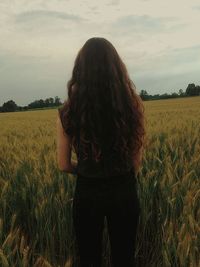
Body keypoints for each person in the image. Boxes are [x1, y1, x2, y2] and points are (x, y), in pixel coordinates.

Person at [56, 37, 146, 267]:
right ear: (116, 68)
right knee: (124, 258)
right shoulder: (132, 107)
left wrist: (86, 170)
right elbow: (136, 162)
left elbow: (64, 165)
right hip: (124, 191)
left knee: (89, 259)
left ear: (81, 69)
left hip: (87, 193)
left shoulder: (68, 111)